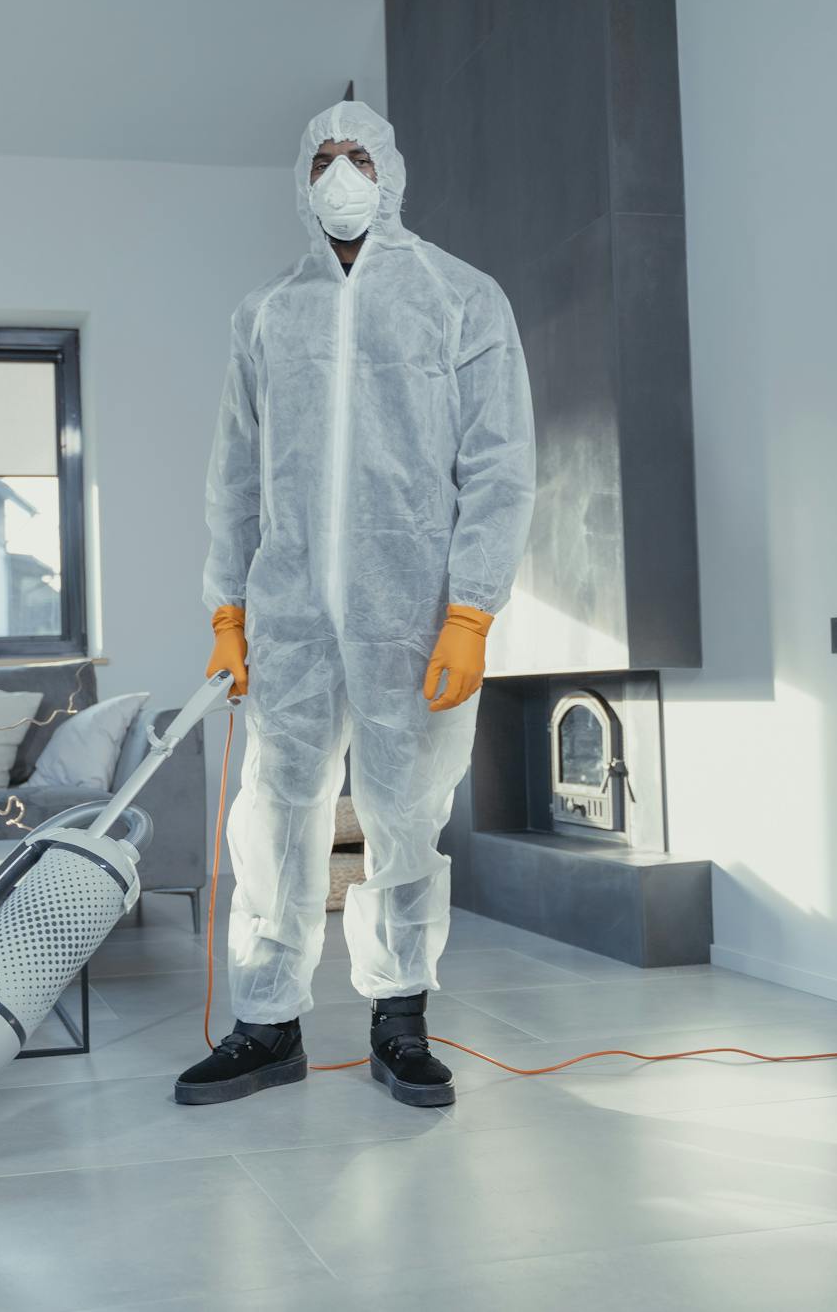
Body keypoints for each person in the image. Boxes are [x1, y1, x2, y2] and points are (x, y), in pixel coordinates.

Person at [177, 100, 535, 1108]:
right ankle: (265, 1023)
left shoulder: (460, 300)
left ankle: (400, 1017)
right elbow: (234, 476)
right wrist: (226, 611)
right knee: (272, 814)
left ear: (394, 171)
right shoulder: (264, 314)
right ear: (301, 178)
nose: (341, 173)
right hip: (287, 607)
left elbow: (499, 465)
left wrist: (470, 610)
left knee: (405, 813)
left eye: (359, 155)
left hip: (409, 608)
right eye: (324, 158)